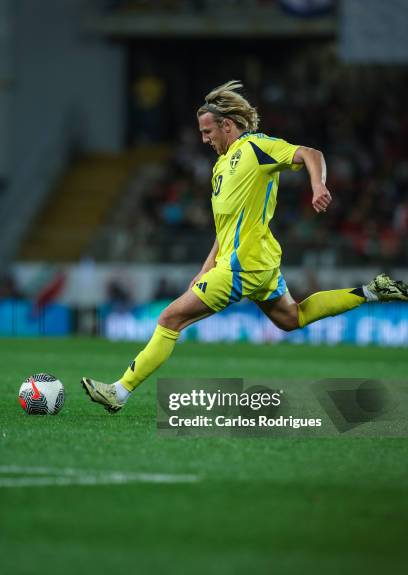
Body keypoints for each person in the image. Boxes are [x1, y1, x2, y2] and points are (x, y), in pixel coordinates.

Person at [81, 80, 408, 413]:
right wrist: (204, 270)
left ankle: (119, 391)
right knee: (291, 318)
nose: (204, 139)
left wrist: (317, 184)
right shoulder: (220, 167)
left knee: (170, 319)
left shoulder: (256, 146)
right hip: (254, 263)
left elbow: (311, 153)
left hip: (243, 265)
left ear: (227, 125)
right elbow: (224, 230)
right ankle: (371, 291)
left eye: (208, 131)